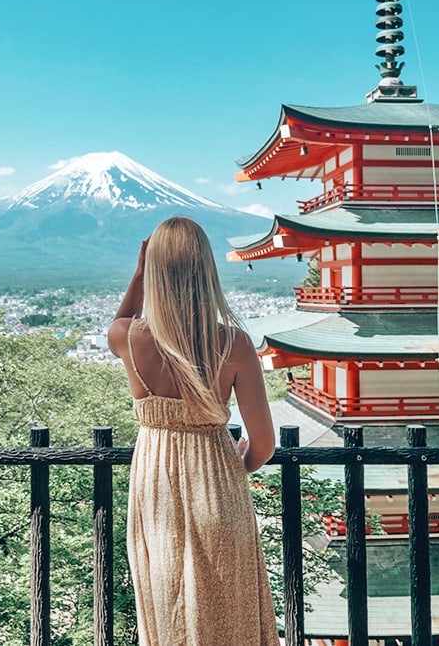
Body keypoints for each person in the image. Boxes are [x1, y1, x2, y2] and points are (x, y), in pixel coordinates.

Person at [108, 216, 279, 646]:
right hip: (217, 482)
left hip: (155, 488)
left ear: (155, 272)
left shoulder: (128, 338)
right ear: (206, 270)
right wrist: (238, 461)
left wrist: (139, 276)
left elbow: (120, 319)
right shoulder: (234, 343)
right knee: (230, 613)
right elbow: (263, 446)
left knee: (168, 610)